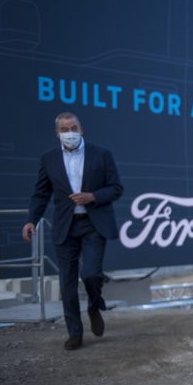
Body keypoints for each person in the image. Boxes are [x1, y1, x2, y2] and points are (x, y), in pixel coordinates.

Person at [22, 112, 123, 351]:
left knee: (90, 274)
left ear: (81, 129)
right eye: (64, 129)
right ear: (57, 133)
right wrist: (31, 221)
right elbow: (41, 193)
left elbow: (116, 188)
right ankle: (74, 333)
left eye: (73, 128)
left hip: (93, 223)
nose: (70, 133)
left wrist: (93, 196)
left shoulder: (101, 154)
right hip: (65, 226)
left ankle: (94, 305)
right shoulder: (49, 159)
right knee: (67, 283)